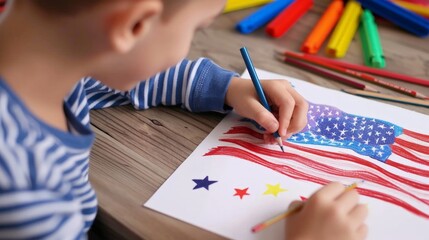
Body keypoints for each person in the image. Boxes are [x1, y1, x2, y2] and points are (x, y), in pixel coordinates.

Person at [0, 0, 367, 239]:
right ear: (135, 26)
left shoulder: (47, 57)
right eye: (197, 28)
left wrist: (228, 88)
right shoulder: (25, 189)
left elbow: (117, 69)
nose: (191, 40)